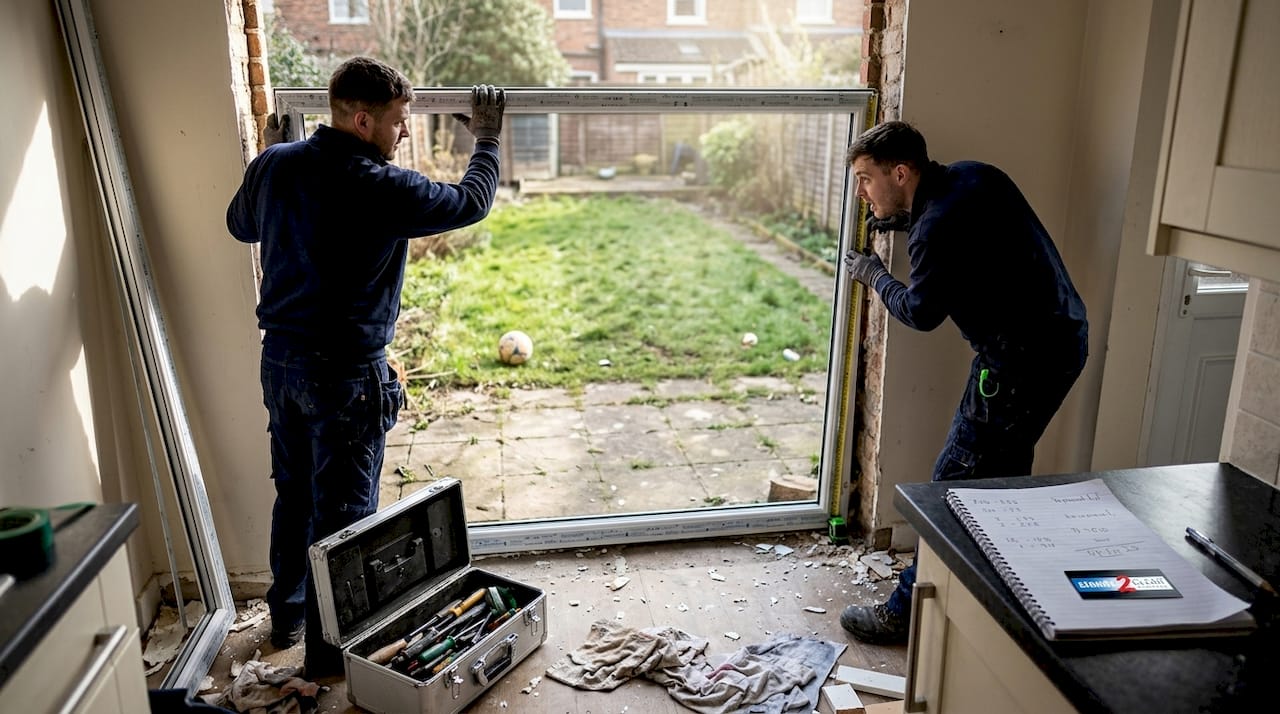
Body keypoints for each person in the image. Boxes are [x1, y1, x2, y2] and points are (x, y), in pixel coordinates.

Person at [226, 56, 506, 676]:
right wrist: (486, 137)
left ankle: (287, 619)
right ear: (361, 120)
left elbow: (240, 224)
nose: (404, 133)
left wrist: (276, 163)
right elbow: (470, 203)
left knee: (293, 497)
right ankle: (327, 662)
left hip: (282, 366)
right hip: (346, 379)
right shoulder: (378, 185)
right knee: (345, 521)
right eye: (399, 121)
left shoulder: (276, 164)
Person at [839, 121, 1088, 644]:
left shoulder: (934, 230)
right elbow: (961, 232)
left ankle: (902, 615)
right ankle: (1009, 589)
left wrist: (873, 274)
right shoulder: (976, 176)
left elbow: (920, 312)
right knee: (1001, 478)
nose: (860, 192)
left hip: (1017, 367)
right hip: (1066, 338)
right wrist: (899, 223)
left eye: (865, 179)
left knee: (951, 487)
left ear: (900, 172)